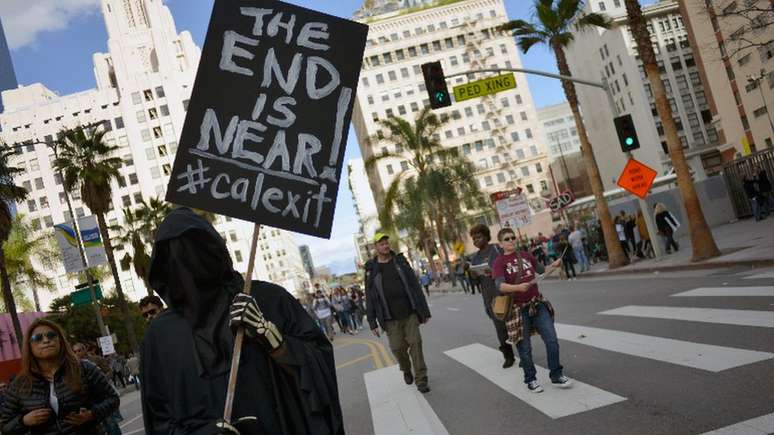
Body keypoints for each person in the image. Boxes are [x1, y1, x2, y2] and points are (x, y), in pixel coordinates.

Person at [143, 207, 344, 434]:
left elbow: (319, 364)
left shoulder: (268, 300)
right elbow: (159, 420)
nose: (190, 267)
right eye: (177, 258)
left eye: (196, 252)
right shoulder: (160, 337)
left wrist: (272, 339)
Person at [0, 319, 119, 434]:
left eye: (51, 335)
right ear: (29, 346)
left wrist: (91, 414)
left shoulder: (84, 369)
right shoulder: (20, 384)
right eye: (38, 338)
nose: (46, 340)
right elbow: (5, 426)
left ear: (60, 341)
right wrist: (24, 421)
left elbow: (113, 399)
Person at [492, 228, 570, 393]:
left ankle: (556, 374)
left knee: (552, 340)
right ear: (500, 243)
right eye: (507, 239)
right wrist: (518, 287)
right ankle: (531, 379)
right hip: (517, 310)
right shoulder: (499, 262)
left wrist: (554, 265)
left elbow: (542, 271)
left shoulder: (526, 255)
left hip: (537, 303)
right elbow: (499, 285)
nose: (511, 240)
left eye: (513, 237)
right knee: (525, 349)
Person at [365, 232, 432, 394]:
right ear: (376, 247)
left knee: (416, 343)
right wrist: (372, 321)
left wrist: (424, 309)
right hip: (389, 318)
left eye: (386, 243)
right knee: (397, 348)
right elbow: (370, 297)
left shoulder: (400, 261)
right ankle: (406, 369)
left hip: (409, 313)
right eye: (381, 244)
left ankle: (421, 379)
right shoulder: (371, 269)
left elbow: (414, 286)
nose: (385, 246)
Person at [467, 224, 514, 368]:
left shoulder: (496, 249)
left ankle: (524, 354)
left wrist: (493, 270)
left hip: (503, 293)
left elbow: (508, 266)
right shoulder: (474, 258)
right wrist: (471, 272)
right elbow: (475, 282)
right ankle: (508, 356)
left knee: (514, 326)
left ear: (486, 236)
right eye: (474, 239)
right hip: (489, 298)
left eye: (479, 237)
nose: (476, 241)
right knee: (500, 328)